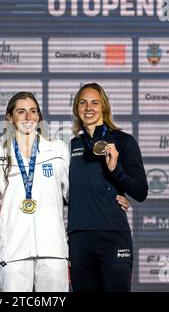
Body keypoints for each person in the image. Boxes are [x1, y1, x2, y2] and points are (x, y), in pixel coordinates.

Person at [0, 91, 71, 292]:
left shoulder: (57, 151)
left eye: (33, 111)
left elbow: (76, 195)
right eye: (21, 112)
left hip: (53, 248)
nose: (28, 117)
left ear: (39, 116)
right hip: (13, 250)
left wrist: (110, 199)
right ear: (9, 118)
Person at [68, 82, 148, 292]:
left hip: (113, 236)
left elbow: (140, 191)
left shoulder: (123, 141)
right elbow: (65, 192)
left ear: (104, 106)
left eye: (95, 102)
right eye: (83, 103)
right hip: (79, 238)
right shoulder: (71, 145)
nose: (89, 108)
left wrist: (116, 171)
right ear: (76, 108)